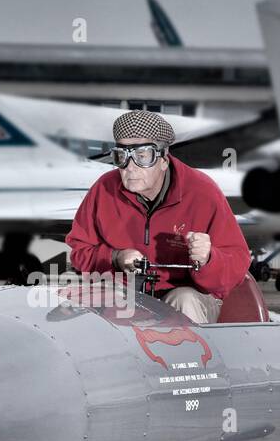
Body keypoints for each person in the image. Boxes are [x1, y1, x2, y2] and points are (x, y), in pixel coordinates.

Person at [66, 107, 250, 322]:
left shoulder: (203, 192)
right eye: (121, 156)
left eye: (143, 156)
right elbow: (79, 252)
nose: (130, 167)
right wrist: (115, 257)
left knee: (184, 299)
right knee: (99, 300)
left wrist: (208, 259)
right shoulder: (103, 190)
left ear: (164, 159)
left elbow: (237, 264)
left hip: (185, 295)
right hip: (126, 294)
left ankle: (188, 355)